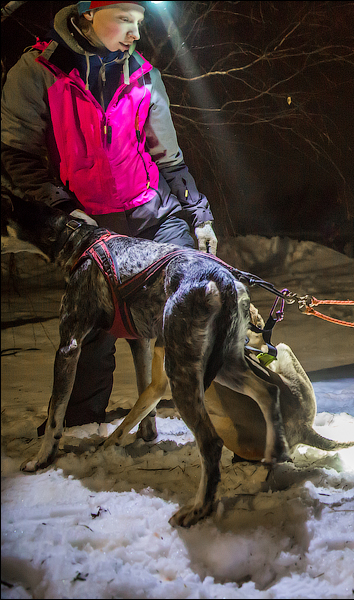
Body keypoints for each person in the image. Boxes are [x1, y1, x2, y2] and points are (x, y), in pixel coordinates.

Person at [1, 1, 218, 430]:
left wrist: (200, 216)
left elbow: (170, 161)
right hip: (89, 222)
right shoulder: (39, 70)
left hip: (152, 211)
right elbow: (16, 153)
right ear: (85, 15)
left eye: (139, 23)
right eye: (124, 20)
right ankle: (81, 421)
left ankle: (229, 410)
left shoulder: (144, 76)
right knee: (94, 323)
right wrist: (63, 209)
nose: (136, 34)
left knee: (196, 290)